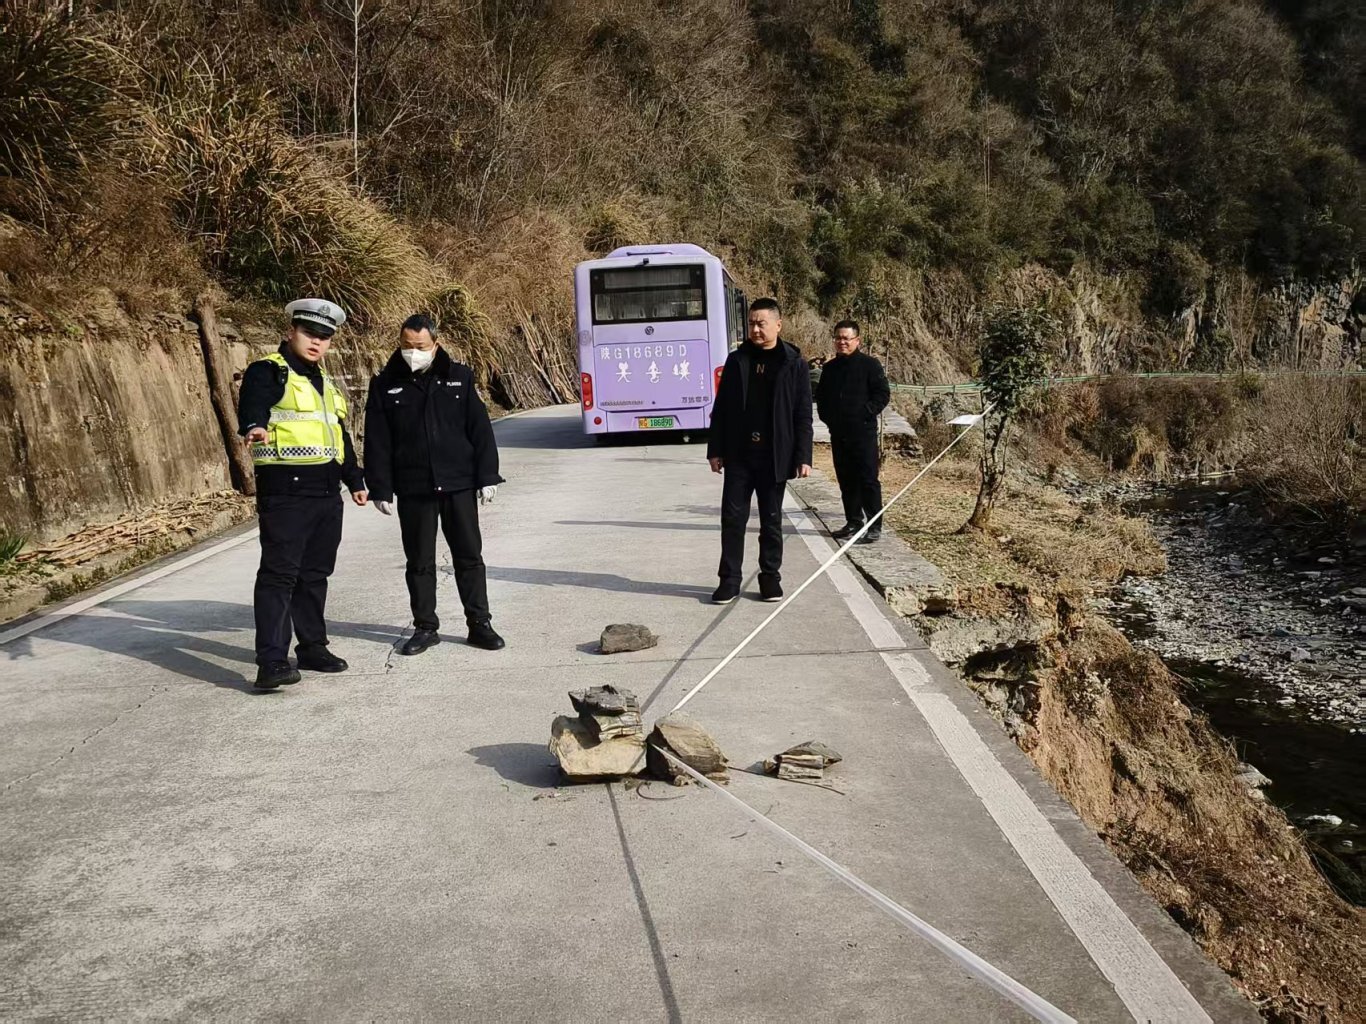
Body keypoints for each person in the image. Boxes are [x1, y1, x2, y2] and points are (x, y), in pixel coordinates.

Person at [238, 298, 368, 691]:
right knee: (279, 575)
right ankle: (272, 661)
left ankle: (312, 647)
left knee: (315, 574)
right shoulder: (268, 370)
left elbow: (338, 435)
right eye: (310, 334)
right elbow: (254, 403)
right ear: (291, 331)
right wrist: (255, 425)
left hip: (326, 492)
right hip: (286, 492)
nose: (316, 342)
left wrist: (355, 480)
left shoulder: (325, 382)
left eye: (324, 337)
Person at [363, 313, 505, 655]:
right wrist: (380, 488)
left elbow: (480, 430)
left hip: (458, 484)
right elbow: (377, 439)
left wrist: (487, 476)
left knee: (469, 557)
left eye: (420, 346)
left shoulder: (459, 377)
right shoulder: (385, 383)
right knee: (419, 561)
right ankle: (425, 627)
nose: (413, 352)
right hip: (414, 487)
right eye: (407, 345)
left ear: (435, 344)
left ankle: (479, 624)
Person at [707, 297, 813, 604]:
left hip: (774, 455)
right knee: (732, 519)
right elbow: (721, 409)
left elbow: (803, 414)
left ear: (778, 325)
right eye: (751, 323)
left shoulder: (794, 363)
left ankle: (770, 578)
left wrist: (803, 456)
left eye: (761, 323)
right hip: (739, 454)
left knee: (771, 521)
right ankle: (729, 580)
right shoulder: (737, 360)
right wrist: (715, 449)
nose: (755, 329)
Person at [815, 319, 890, 543]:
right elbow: (822, 398)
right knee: (846, 479)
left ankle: (874, 525)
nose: (842, 342)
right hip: (839, 434)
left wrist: (865, 413)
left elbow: (882, 394)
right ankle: (853, 521)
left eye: (847, 338)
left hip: (863, 433)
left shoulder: (870, 365)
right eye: (838, 338)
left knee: (868, 480)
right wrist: (829, 420)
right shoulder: (830, 368)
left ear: (857, 340)